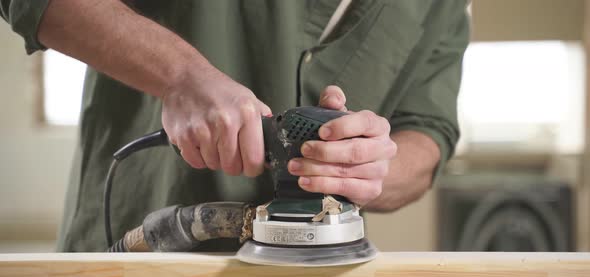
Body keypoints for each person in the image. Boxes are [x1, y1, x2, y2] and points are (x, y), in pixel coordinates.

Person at [1, 0, 469, 252]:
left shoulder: (442, 8)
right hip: (136, 251)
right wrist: (179, 74)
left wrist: (373, 168)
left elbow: (428, 132)